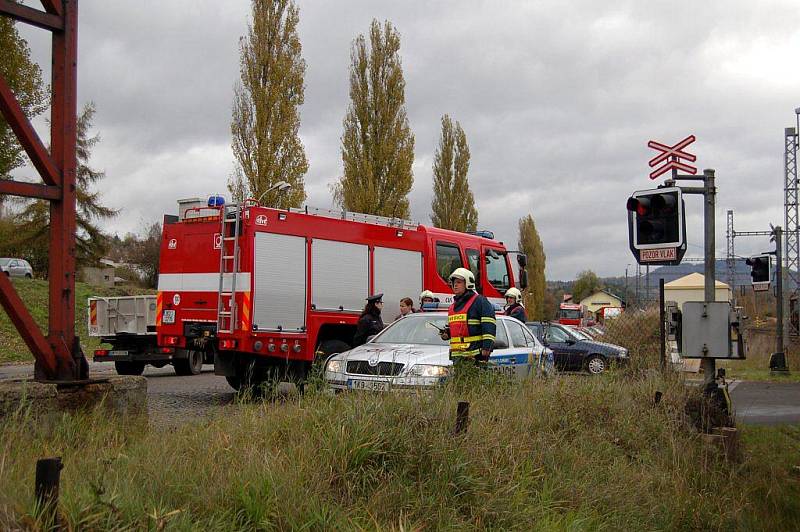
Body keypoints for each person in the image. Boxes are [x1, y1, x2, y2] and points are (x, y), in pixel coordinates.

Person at [439, 268, 496, 365]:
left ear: (468, 283)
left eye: (459, 282)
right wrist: (447, 333)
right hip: (457, 357)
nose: (455, 285)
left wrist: (487, 347)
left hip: (476, 355)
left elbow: (489, 325)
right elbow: (458, 329)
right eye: (453, 283)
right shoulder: (453, 307)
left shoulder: (480, 301)